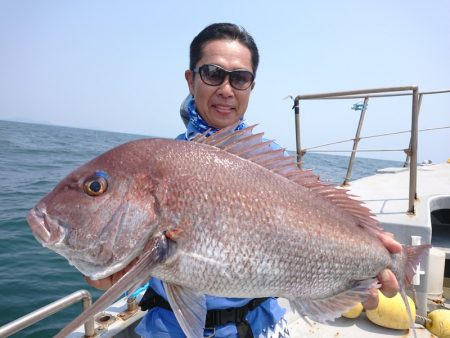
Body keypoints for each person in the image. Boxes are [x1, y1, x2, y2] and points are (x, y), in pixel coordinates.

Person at [86, 23, 402, 337]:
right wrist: (112, 273)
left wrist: (371, 248)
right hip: (171, 328)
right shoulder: (158, 167)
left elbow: (320, 220)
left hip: (262, 325)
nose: (226, 89)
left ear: (250, 86)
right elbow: (146, 264)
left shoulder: (273, 166)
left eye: (239, 78)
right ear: (190, 79)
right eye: (212, 73)